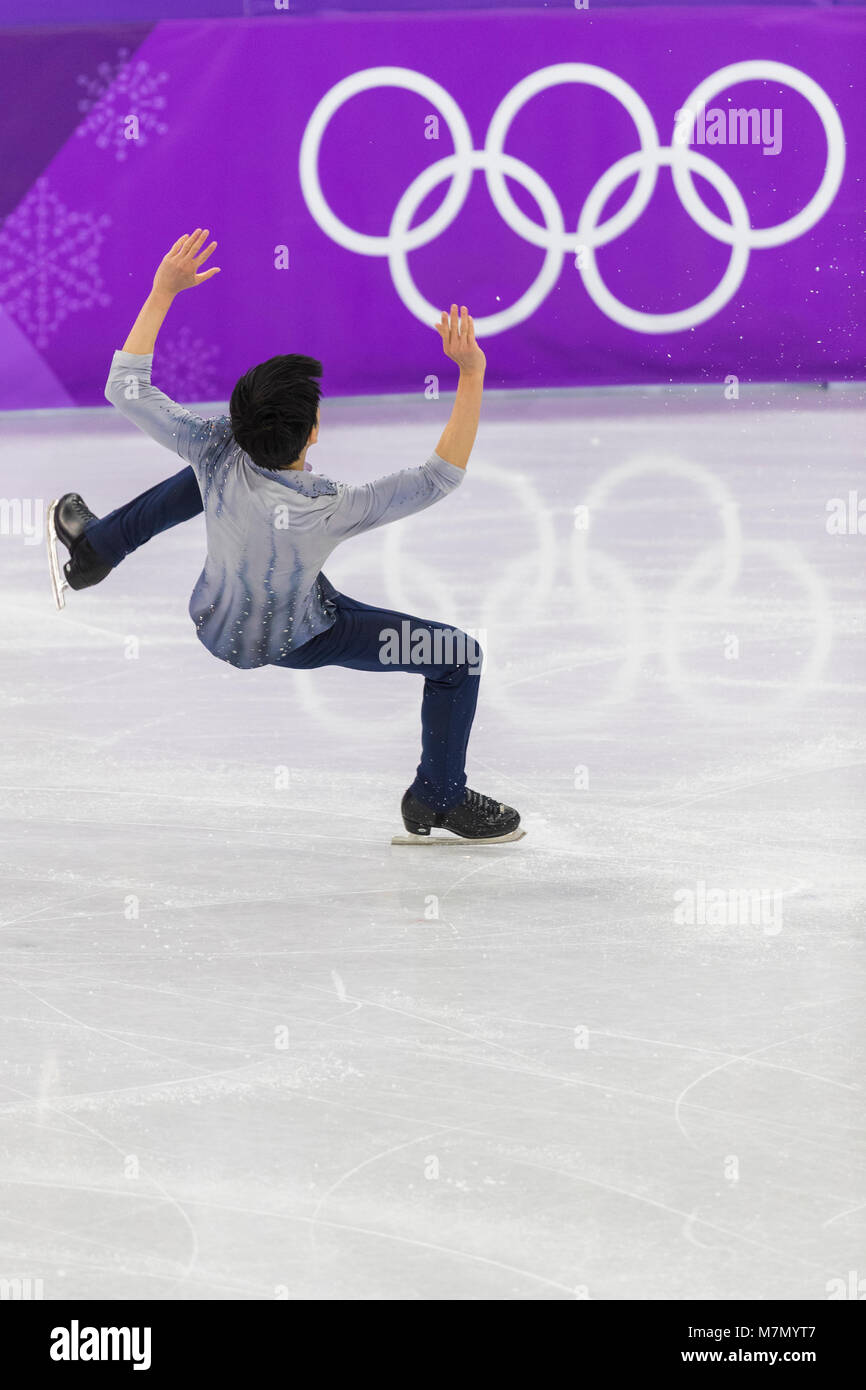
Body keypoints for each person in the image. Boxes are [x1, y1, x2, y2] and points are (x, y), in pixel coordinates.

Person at [47, 229, 522, 843]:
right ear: (315, 432)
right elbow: (438, 479)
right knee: (457, 657)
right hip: (301, 635)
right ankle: (438, 796)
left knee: (207, 471)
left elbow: (126, 388)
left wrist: (164, 290)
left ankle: (95, 550)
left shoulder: (218, 445)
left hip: (215, 622)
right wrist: (471, 372)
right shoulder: (331, 506)